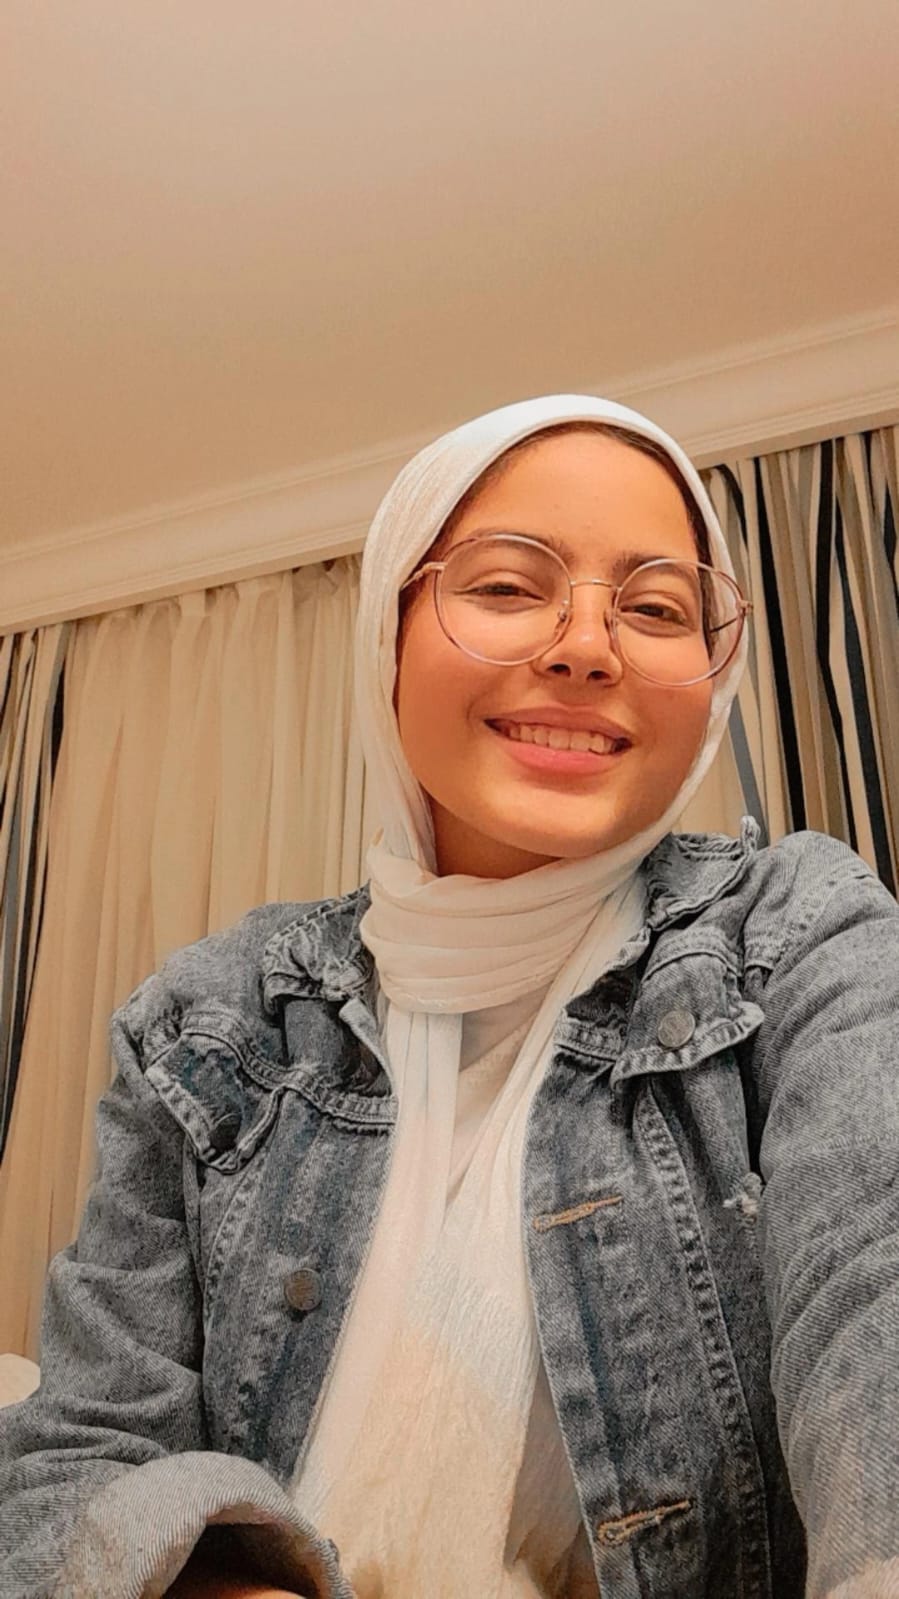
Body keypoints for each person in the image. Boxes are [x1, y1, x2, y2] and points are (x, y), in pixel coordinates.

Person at [1, 394, 897, 1599]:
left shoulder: (796, 935)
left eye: (653, 608)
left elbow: (871, 1288)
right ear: (389, 631)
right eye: (509, 586)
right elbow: (78, 1456)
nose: (587, 647)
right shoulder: (209, 1018)